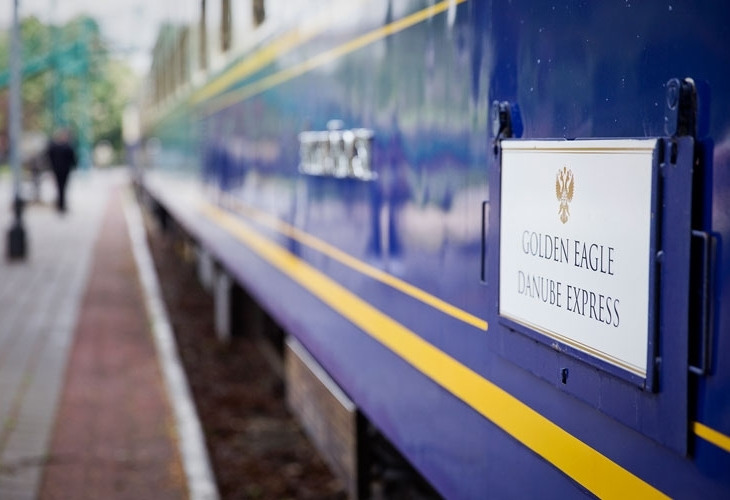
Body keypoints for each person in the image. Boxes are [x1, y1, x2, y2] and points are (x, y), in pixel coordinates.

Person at [46, 128, 77, 213]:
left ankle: (61, 204)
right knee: (61, 187)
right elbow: (73, 159)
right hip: (61, 170)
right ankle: (61, 205)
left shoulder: (57, 147)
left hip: (61, 170)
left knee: (61, 187)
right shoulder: (66, 147)